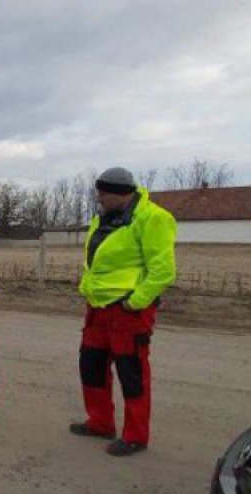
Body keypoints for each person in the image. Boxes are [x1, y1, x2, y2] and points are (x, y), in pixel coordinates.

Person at [70, 167, 177, 456]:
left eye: (103, 194)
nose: (99, 199)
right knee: (91, 366)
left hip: (128, 310)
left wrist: (135, 301)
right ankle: (100, 422)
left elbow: (163, 271)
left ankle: (135, 436)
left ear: (121, 193)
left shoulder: (154, 218)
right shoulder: (103, 218)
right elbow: (96, 260)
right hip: (98, 307)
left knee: (132, 373)